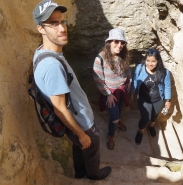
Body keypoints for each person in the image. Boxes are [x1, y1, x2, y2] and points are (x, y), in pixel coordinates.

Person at [32, 0, 111, 180]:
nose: (62, 28)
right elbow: (60, 109)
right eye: (53, 23)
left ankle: (79, 173)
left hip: (76, 122)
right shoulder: (52, 65)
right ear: (40, 29)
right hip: (82, 123)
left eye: (62, 21)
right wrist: (82, 134)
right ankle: (94, 175)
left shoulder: (42, 52)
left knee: (79, 147)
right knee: (91, 148)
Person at [93, 28, 131, 150]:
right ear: (109, 42)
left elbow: (127, 69)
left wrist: (129, 80)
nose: (119, 45)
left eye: (122, 42)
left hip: (122, 90)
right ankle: (111, 135)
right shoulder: (100, 58)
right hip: (110, 92)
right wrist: (108, 94)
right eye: (116, 41)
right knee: (114, 116)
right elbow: (98, 79)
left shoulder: (123, 56)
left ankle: (117, 121)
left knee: (119, 111)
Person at [130, 48, 171, 145]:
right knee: (145, 118)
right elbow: (135, 81)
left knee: (154, 115)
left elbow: (167, 86)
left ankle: (151, 126)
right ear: (145, 60)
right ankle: (141, 131)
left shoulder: (164, 72)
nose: (150, 64)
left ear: (158, 61)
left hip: (158, 99)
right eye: (148, 61)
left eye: (153, 61)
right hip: (144, 99)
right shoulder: (140, 68)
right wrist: (131, 93)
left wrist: (168, 100)